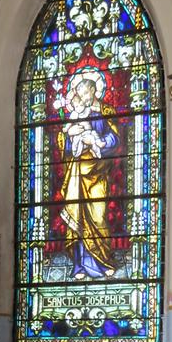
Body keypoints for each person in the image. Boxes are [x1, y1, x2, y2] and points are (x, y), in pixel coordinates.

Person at [53, 68, 119, 280]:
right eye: (81, 93)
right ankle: (79, 266)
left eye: (87, 92)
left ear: (94, 92)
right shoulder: (76, 114)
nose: (84, 96)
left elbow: (115, 138)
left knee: (98, 217)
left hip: (97, 171)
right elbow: (65, 145)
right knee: (77, 216)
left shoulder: (104, 112)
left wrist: (99, 141)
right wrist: (70, 135)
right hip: (77, 171)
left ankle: (103, 261)